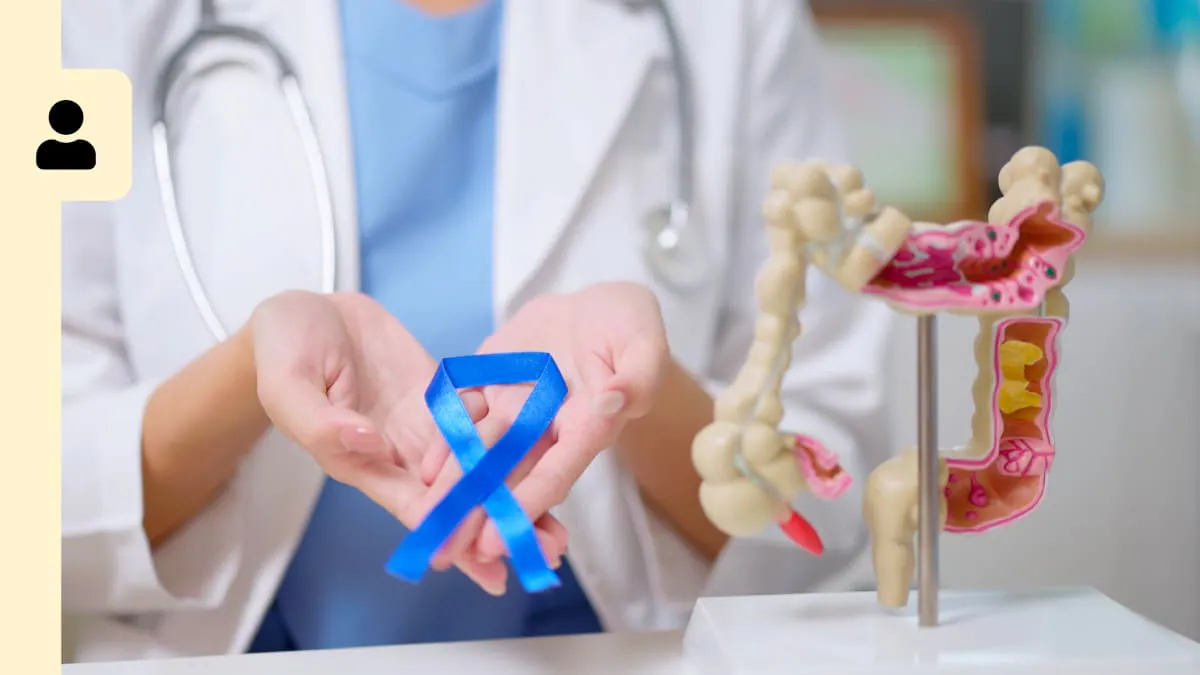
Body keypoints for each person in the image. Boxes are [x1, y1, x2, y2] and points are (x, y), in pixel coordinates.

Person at [60, 0, 895, 664]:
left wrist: (641, 392)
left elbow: (830, 505)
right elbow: (34, 490)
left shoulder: (731, 19)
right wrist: (249, 373)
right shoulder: (87, 24)